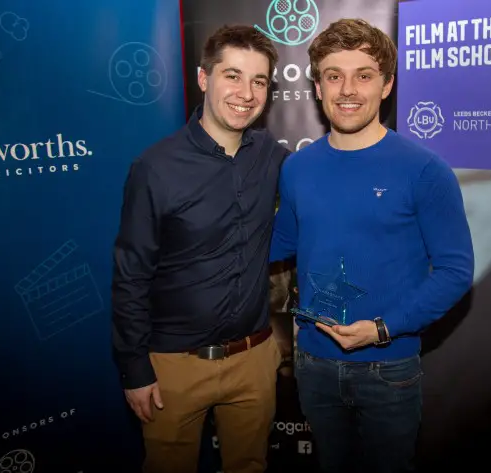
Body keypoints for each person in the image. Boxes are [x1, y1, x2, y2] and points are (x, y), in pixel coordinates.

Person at [270, 18, 474, 473]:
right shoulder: (297, 168)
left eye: (364, 75)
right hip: (314, 366)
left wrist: (383, 328)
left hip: (390, 368)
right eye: (333, 75)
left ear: (386, 86)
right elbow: (280, 241)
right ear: (317, 86)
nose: (348, 89)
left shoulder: (424, 170)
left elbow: (456, 272)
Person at [111, 24, 289, 473]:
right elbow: (131, 274)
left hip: (254, 359)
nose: (246, 93)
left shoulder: (272, 155)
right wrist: (135, 368)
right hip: (174, 366)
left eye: (259, 81)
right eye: (232, 75)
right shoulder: (155, 168)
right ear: (204, 78)